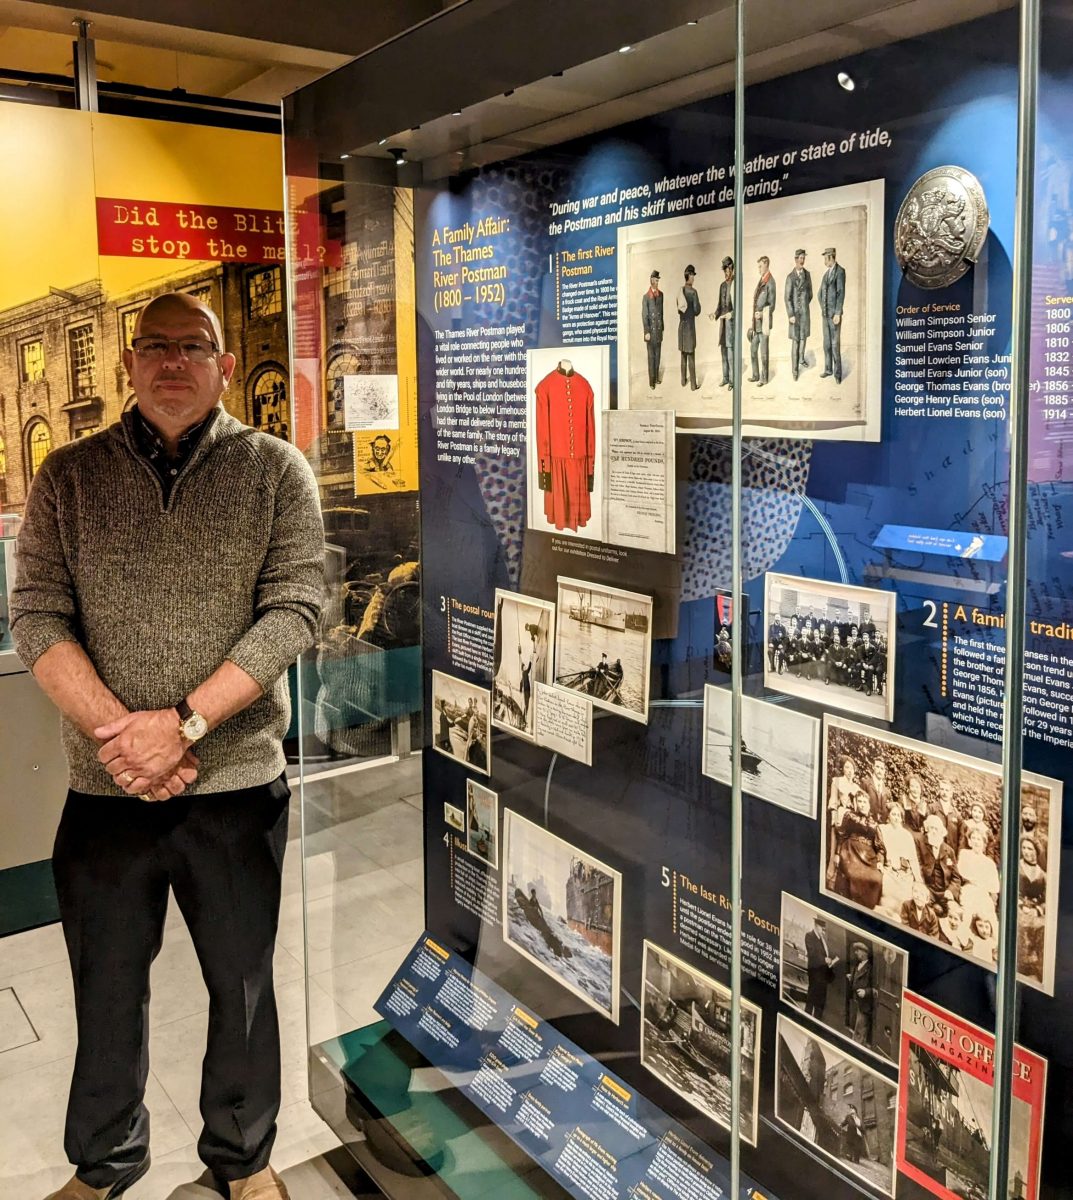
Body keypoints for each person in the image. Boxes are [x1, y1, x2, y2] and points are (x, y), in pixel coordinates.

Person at [10, 292, 324, 1200]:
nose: (174, 363)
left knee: (243, 986)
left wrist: (180, 727)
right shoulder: (67, 476)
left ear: (226, 365)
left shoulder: (275, 471)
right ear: (128, 364)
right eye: (156, 347)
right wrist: (125, 738)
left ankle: (243, 1158)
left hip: (235, 784)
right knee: (106, 992)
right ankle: (104, 1163)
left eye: (196, 347)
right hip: (108, 792)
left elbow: (295, 609)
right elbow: (36, 614)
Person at [836, 791, 884, 909]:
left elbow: (880, 847)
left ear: (869, 804)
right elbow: (842, 835)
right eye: (859, 801)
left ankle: (866, 911)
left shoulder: (874, 823)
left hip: (869, 856)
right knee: (853, 875)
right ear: (856, 803)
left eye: (864, 802)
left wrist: (880, 862)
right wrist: (837, 853)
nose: (862, 804)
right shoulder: (850, 816)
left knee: (877, 879)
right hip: (850, 851)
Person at [877, 802, 923, 917]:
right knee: (888, 890)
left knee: (906, 895)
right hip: (889, 870)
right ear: (888, 816)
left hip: (905, 873)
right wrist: (880, 862)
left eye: (898, 815)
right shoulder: (883, 829)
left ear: (901, 818)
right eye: (893, 814)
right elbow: (880, 850)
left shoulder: (907, 835)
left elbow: (913, 859)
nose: (896, 818)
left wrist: (918, 878)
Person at [818, 246, 846, 383]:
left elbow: (840, 293)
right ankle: (828, 369)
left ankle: (837, 374)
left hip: (834, 316)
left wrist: (837, 313)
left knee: (835, 345)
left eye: (825, 258)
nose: (824, 261)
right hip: (825, 315)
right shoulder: (825, 275)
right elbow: (819, 294)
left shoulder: (840, 272)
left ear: (830, 257)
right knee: (827, 344)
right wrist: (824, 308)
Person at [785, 248, 813, 380]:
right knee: (796, 341)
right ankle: (795, 371)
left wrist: (804, 306)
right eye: (800, 258)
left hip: (805, 314)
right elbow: (787, 298)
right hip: (794, 316)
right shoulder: (790, 277)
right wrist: (791, 314)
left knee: (804, 338)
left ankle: (801, 359)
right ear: (795, 260)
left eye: (803, 258)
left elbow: (810, 294)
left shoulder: (807, 275)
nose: (802, 260)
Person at [749, 256, 776, 386]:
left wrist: (762, 314)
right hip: (756, 324)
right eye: (758, 266)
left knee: (764, 353)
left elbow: (772, 305)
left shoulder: (770, 282)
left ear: (766, 265)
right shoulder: (761, 281)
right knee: (753, 349)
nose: (758, 268)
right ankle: (755, 375)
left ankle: (764, 378)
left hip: (764, 324)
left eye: (760, 266)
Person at [804, 915, 838, 1018]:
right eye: (821, 928)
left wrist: (830, 962)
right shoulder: (809, 936)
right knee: (811, 999)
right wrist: (824, 960)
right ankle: (807, 1018)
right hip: (814, 973)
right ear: (816, 925)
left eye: (824, 929)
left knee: (820, 1001)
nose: (823, 931)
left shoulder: (822, 940)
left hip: (823, 975)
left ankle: (816, 1020)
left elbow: (824, 954)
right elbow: (812, 953)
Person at [711, 255, 736, 388]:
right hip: (723, 325)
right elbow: (719, 306)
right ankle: (726, 378)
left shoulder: (736, 283)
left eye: (728, 270)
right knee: (723, 352)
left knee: (731, 353)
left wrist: (731, 314)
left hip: (732, 325)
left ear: (732, 269)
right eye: (725, 271)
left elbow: (739, 305)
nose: (726, 273)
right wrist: (714, 315)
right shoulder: (722, 286)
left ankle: (732, 381)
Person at [677, 264, 702, 390]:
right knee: (691, 355)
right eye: (693, 275)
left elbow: (678, 310)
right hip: (690, 328)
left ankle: (683, 381)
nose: (694, 278)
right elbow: (697, 311)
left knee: (683, 355)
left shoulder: (680, 291)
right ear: (689, 276)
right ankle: (693, 385)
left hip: (682, 327)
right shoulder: (693, 292)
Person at [845, 942, 875, 1047]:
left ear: (864, 953)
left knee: (860, 1031)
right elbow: (856, 980)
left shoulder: (871, 969)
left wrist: (865, 992)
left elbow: (876, 989)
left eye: (858, 950)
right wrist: (851, 979)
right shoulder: (857, 966)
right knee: (855, 1028)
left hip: (864, 1005)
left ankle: (856, 1050)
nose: (856, 952)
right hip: (855, 1002)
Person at [641, 269, 664, 389]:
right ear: (651, 280)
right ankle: (651, 382)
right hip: (650, 333)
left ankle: (656, 378)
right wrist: (647, 332)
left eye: (658, 279)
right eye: (656, 279)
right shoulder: (646, 297)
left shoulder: (661, 295)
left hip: (659, 331)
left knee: (658, 355)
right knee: (651, 357)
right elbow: (644, 316)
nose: (657, 281)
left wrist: (662, 328)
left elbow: (662, 313)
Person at [863, 758, 892, 825]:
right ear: (873, 768)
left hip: (883, 825)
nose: (880, 770)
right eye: (877, 767)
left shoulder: (887, 790)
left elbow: (889, 807)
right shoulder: (866, 783)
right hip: (868, 823)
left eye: (882, 768)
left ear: (884, 771)